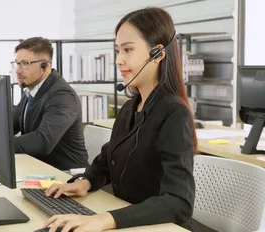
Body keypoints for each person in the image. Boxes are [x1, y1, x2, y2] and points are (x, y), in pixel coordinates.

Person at [42, 7, 198, 232]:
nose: (118, 60)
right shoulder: (129, 108)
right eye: (117, 51)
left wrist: (103, 220)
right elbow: (106, 162)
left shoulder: (173, 113)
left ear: (158, 54)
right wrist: (85, 182)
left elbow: (179, 203)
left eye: (128, 50)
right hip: (127, 220)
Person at [12, 37, 88, 171]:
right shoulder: (31, 91)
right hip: (40, 169)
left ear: (45, 65)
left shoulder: (62, 96)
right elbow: (11, 124)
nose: (17, 71)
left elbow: (42, 141)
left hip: (66, 175)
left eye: (25, 63)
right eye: (17, 63)